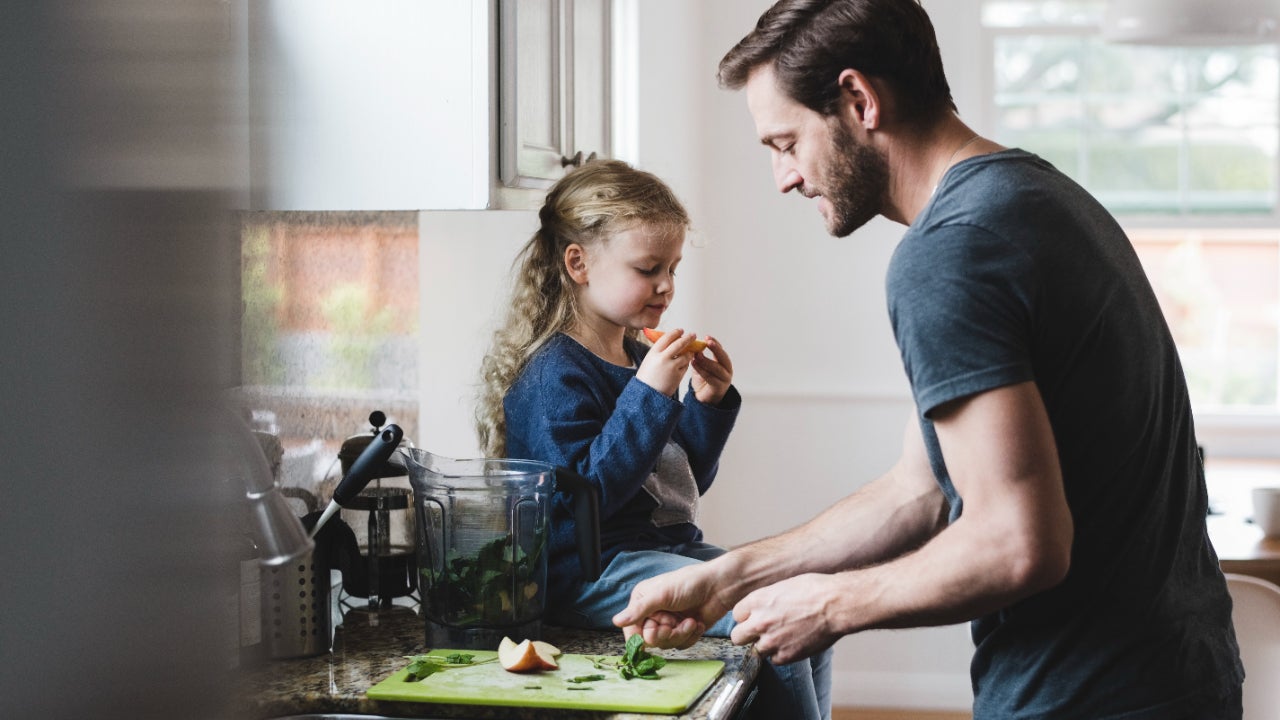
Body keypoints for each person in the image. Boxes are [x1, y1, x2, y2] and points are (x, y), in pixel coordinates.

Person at [612, 1, 1245, 718]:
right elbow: (921, 489)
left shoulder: (951, 251)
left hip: (1086, 697)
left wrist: (831, 605)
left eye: (786, 143)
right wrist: (727, 580)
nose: (782, 178)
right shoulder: (1033, 199)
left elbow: (1017, 544)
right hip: (1178, 680)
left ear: (859, 100)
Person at [475, 158, 832, 719]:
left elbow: (675, 488)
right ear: (579, 263)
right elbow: (582, 497)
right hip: (593, 573)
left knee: (803, 597)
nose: (666, 286)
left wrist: (705, 405)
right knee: (769, 615)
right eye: (648, 268)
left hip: (664, 551)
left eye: (673, 267)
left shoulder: (639, 355)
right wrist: (650, 395)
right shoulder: (552, 374)